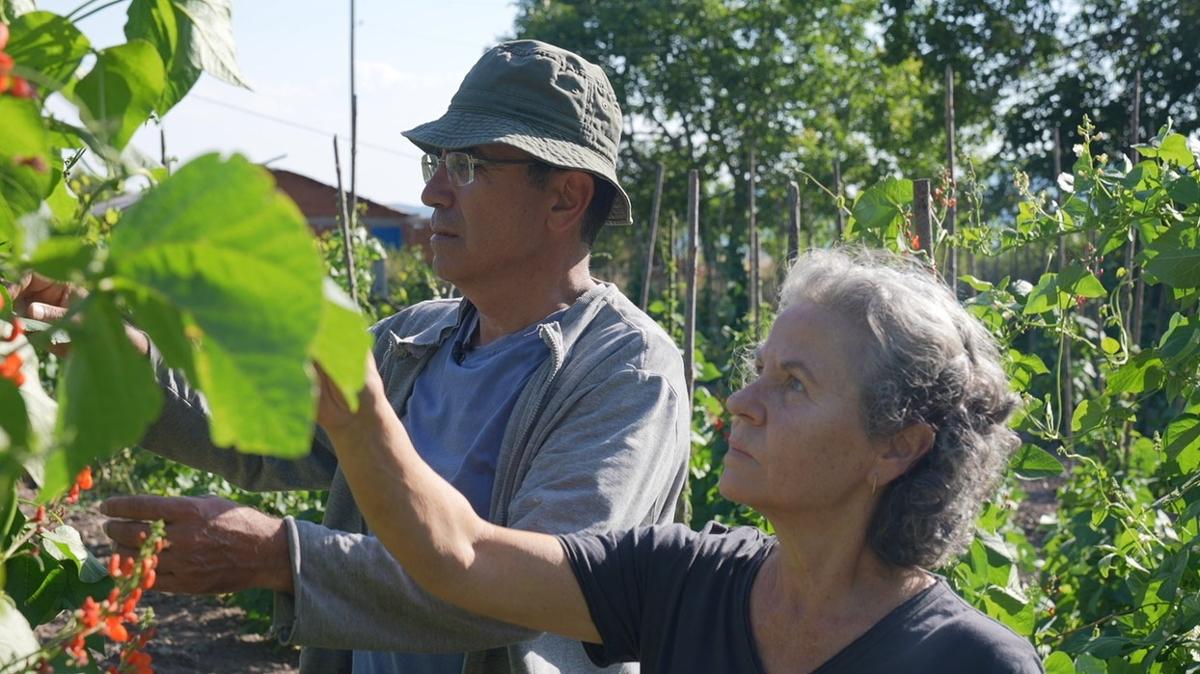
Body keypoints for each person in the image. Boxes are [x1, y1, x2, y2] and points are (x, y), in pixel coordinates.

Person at [20, 40, 691, 674]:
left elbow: (543, 588)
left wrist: (283, 559)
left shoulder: (625, 373)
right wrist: (114, 346)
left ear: (566, 197)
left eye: (468, 167)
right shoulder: (411, 342)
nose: (433, 194)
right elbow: (262, 432)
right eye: (435, 165)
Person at [317, 247, 1047, 673]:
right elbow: (463, 560)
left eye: (793, 384)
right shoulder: (678, 582)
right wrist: (359, 412)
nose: (740, 402)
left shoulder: (971, 663)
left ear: (898, 444)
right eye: (758, 370)